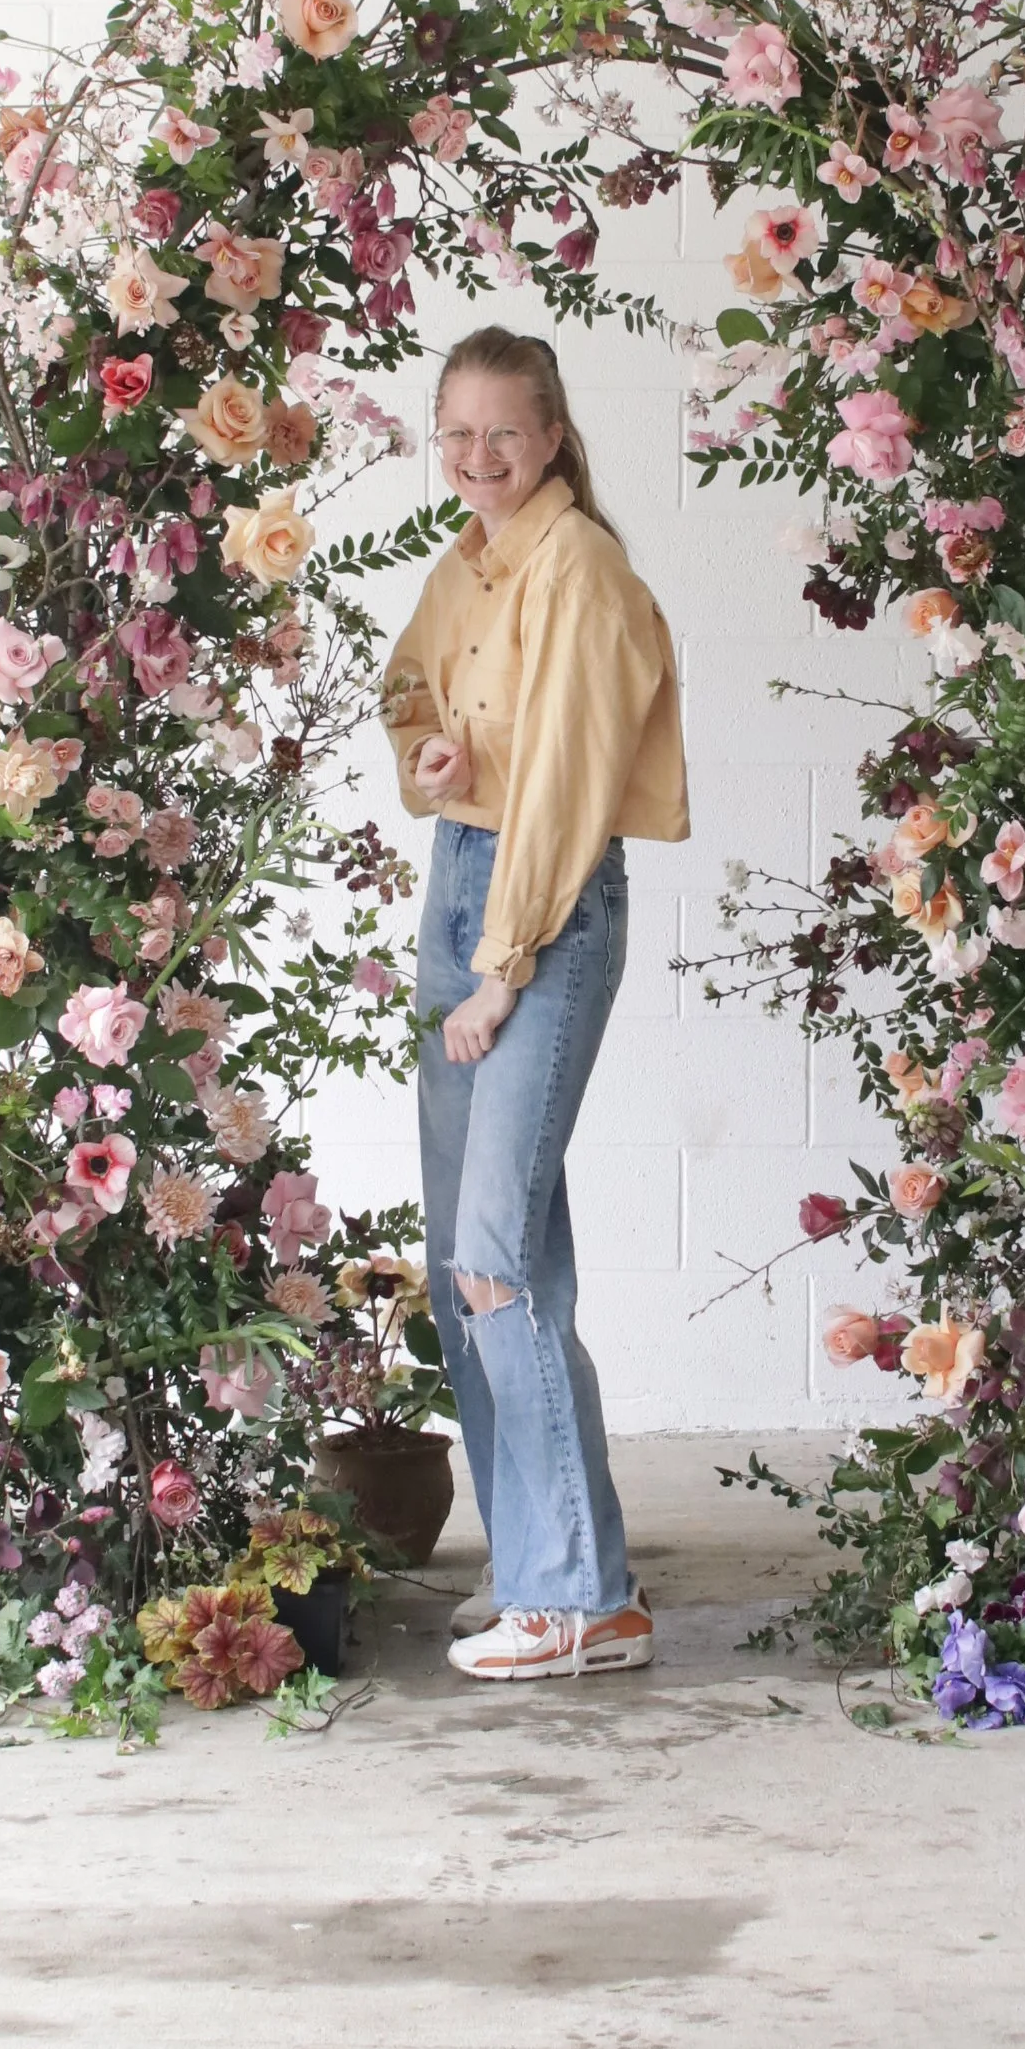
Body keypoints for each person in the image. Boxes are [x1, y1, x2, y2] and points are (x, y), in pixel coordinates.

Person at [380, 328, 689, 1682]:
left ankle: (574, 1592)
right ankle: (552, 1571)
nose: (478, 457)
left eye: (504, 433)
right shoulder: (471, 563)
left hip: (538, 908)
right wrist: (432, 752)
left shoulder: (581, 570)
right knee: (472, 1259)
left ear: (553, 434)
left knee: (499, 1249)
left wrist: (505, 968)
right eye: (457, 433)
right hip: (461, 876)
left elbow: (563, 787)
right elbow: (406, 691)